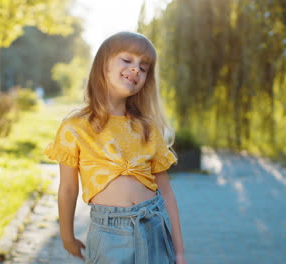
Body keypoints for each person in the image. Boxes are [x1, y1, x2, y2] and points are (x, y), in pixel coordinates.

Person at [44, 31, 186, 264]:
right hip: (108, 233)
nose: (136, 69)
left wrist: (179, 253)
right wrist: (67, 237)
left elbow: (167, 193)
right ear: (103, 65)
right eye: (127, 60)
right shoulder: (75, 127)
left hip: (154, 225)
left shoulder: (147, 127)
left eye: (144, 67)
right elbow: (68, 189)